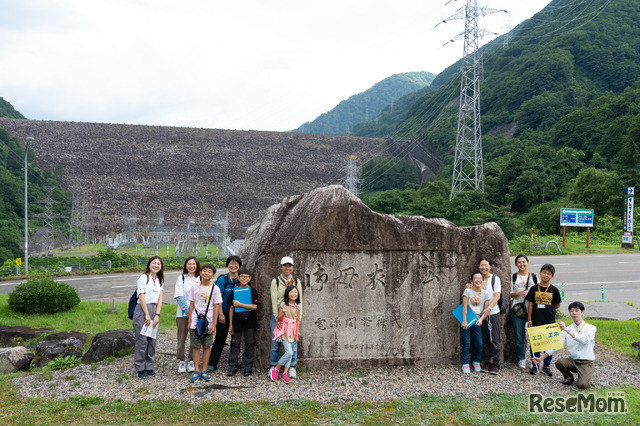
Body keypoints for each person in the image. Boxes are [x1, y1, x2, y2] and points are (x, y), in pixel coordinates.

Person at [531, 302, 597, 389]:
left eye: (577, 311)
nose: (574, 313)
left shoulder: (591, 328)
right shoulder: (566, 330)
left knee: (582, 385)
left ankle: (584, 376)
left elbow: (584, 340)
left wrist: (567, 330)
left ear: (582, 312)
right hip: (573, 360)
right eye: (572, 311)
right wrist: (541, 358)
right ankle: (569, 378)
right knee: (560, 362)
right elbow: (557, 345)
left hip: (586, 362)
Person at [270, 256, 303, 379]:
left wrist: (299, 316)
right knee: (275, 343)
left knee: (293, 343)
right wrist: (277, 318)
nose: (287, 268)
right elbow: (274, 301)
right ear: (281, 267)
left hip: (293, 317)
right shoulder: (276, 281)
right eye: (285, 266)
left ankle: (291, 368)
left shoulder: (296, 281)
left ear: (293, 267)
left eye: (290, 266)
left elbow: (300, 301)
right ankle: (274, 366)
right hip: (279, 315)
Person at [526, 263, 562, 376]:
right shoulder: (534, 288)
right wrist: (529, 319)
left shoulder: (554, 290)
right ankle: (534, 365)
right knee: (535, 343)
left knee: (549, 344)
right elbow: (530, 304)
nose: (546, 275)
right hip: (536, 320)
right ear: (540, 273)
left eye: (549, 274)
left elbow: (557, 305)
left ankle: (546, 366)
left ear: (552, 276)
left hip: (549, 321)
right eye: (544, 272)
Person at [188, 263, 222, 383]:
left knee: (207, 346)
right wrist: (189, 321)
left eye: (209, 271)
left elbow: (216, 307)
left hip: (209, 321)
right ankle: (196, 370)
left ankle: (204, 370)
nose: (206, 273)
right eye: (204, 271)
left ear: (213, 275)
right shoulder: (194, 287)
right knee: (196, 346)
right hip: (196, 321)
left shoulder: (215, 289)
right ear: (200, 272)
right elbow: (192, 304)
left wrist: (214, 324)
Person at [133, 256, 164, 379]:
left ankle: (149, 365)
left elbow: (160, 298)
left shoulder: (159, 279)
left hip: (154, 309)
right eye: (154, 263)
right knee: (142, 340)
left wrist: (157, 315)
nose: (156, 265)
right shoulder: (143, 277)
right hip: (142, 309)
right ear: (149, 264)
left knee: (152, 340)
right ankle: (140, 367)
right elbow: (141, 296)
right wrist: (146, 314)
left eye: (158, 264)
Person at [208, 255, 241, 372]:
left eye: (236, 264)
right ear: (227, 265)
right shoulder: (223, 279)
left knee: (236, 340)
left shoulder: (242, 278)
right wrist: (220, 315)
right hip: (225, 313)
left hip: (238, 315)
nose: (233, 266)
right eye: (231, 263)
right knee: (220, 338)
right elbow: (217, 299)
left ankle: (234, 363)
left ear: (239, 266)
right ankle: (212, 363)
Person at [227, 268, 259, 377]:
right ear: (238, 277)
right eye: (241, 276)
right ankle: (233, 365)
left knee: (249, 343)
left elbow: (254, 306)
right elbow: (231, 308)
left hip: (249, 320)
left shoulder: (252, 291)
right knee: (235, 343)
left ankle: (248, 366)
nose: (244, 279)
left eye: (246, 277)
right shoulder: (234, 291)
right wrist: (230, 324)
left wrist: (240, 304)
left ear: (250, 278)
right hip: (236, 320)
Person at [510, 254, 538, 369]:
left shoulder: (534, 277)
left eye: (524, 262)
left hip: (533, 309)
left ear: (528, 263)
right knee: (519, 335)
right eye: (519, 262)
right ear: (516, 264)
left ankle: (534, 359)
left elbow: (539, 292)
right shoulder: (513, 277)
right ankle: (522, 358)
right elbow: (509, 293)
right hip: (517, 309)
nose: (522, 264)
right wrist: (518, 293)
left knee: (533, 335)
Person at [460, 272, 491, 373]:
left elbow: (486, 310)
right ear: (471, 281)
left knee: (479, 344)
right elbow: (464, 306)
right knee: (466, 343)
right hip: (467, 319)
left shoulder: (485, 293)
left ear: (482, 281)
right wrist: (464, 321)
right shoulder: (467, 291)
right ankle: (465, 363)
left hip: (478, 320)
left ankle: (476, 361)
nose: (478, 280)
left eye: (480, 279)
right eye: (475, 279)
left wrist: (481, 319)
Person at [174, 256, 200, 374]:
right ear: (185, 265)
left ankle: (191, 360)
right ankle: (181, 360)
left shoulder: (200, 278)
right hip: (182, 314)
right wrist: (188, 312)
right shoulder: (181, 278)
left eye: (194, 264)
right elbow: (179, 296)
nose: (191, 266)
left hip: (198, 313)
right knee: (182, 338)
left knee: (194, 338)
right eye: (189, 264)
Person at [270, 285, 301, 383]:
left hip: (293, 331)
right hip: (285, 330)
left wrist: (296, 335)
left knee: (290, 353)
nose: (293, 294)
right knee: (289, 352)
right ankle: (277, 368)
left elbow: (297, 321)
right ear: (287, 293)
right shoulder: (283, 305)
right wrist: (283, 313)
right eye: (291, 292)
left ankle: (285, 373)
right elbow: (278, 318)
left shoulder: (298, 306)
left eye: (295, 292)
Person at [477, 257, 502, 375]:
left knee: (494, 339)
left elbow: (497, 296)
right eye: (482, 265)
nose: (484, 267)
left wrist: (489, 309)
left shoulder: (494, 279)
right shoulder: (477, 279)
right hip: (480, 315)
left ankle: (495, 362)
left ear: (490, 267)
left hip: (493, 313)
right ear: (478, 267)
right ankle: (487, 361)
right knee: (484, 339)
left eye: (486, 265)